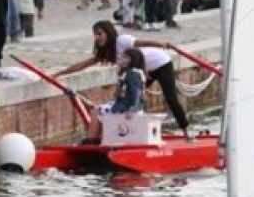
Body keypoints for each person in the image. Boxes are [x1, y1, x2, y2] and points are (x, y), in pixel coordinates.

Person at [55, 20, 190, 138]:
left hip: (160, 63)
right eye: (95, 35)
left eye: (100, 34)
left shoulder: (122, 41)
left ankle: (186, 132)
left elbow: (142, 42)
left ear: (108, 32)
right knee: (131, 98)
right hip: (141, 72)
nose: (97, 38)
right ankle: (136, 132)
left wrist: (163, 44)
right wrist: (59, 73)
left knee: (171, 98)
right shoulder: (106, 52)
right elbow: (82, 65)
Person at [82, 46, 147, 143]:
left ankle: (91, 139)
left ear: (133, 60)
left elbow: (135, 94)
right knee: (101, 109)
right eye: (123, 57)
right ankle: (97, 138)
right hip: (125, 104)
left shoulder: (133, 75)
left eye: (126, 57)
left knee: (97, 110)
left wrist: (132, 109)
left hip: (126, 107)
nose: (122, 60)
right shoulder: (130, 74)